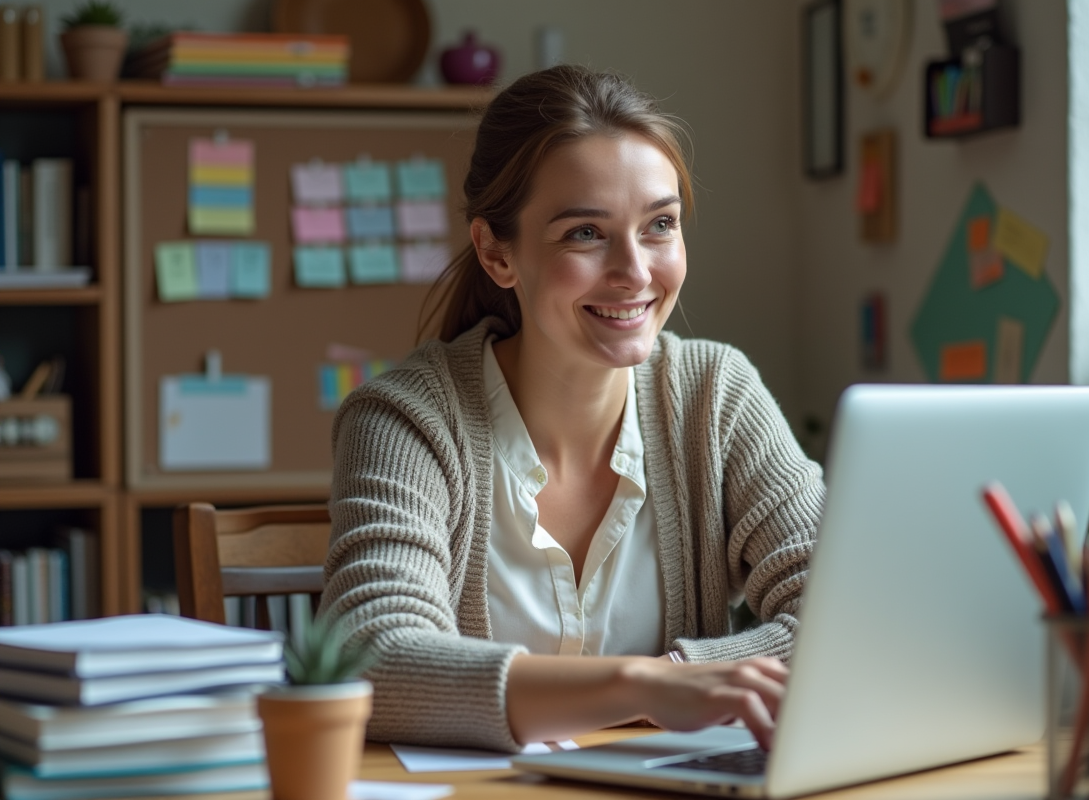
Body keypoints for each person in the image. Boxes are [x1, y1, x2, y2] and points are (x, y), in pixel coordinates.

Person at [319, 64, 825, 754]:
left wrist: (679, 676)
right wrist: (647, 686)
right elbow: (372, 657)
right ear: (496, 253)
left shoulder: (716, 396)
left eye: (660, 225)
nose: (635, 272)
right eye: (586, 233)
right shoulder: (405, 420)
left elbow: (846, 614)